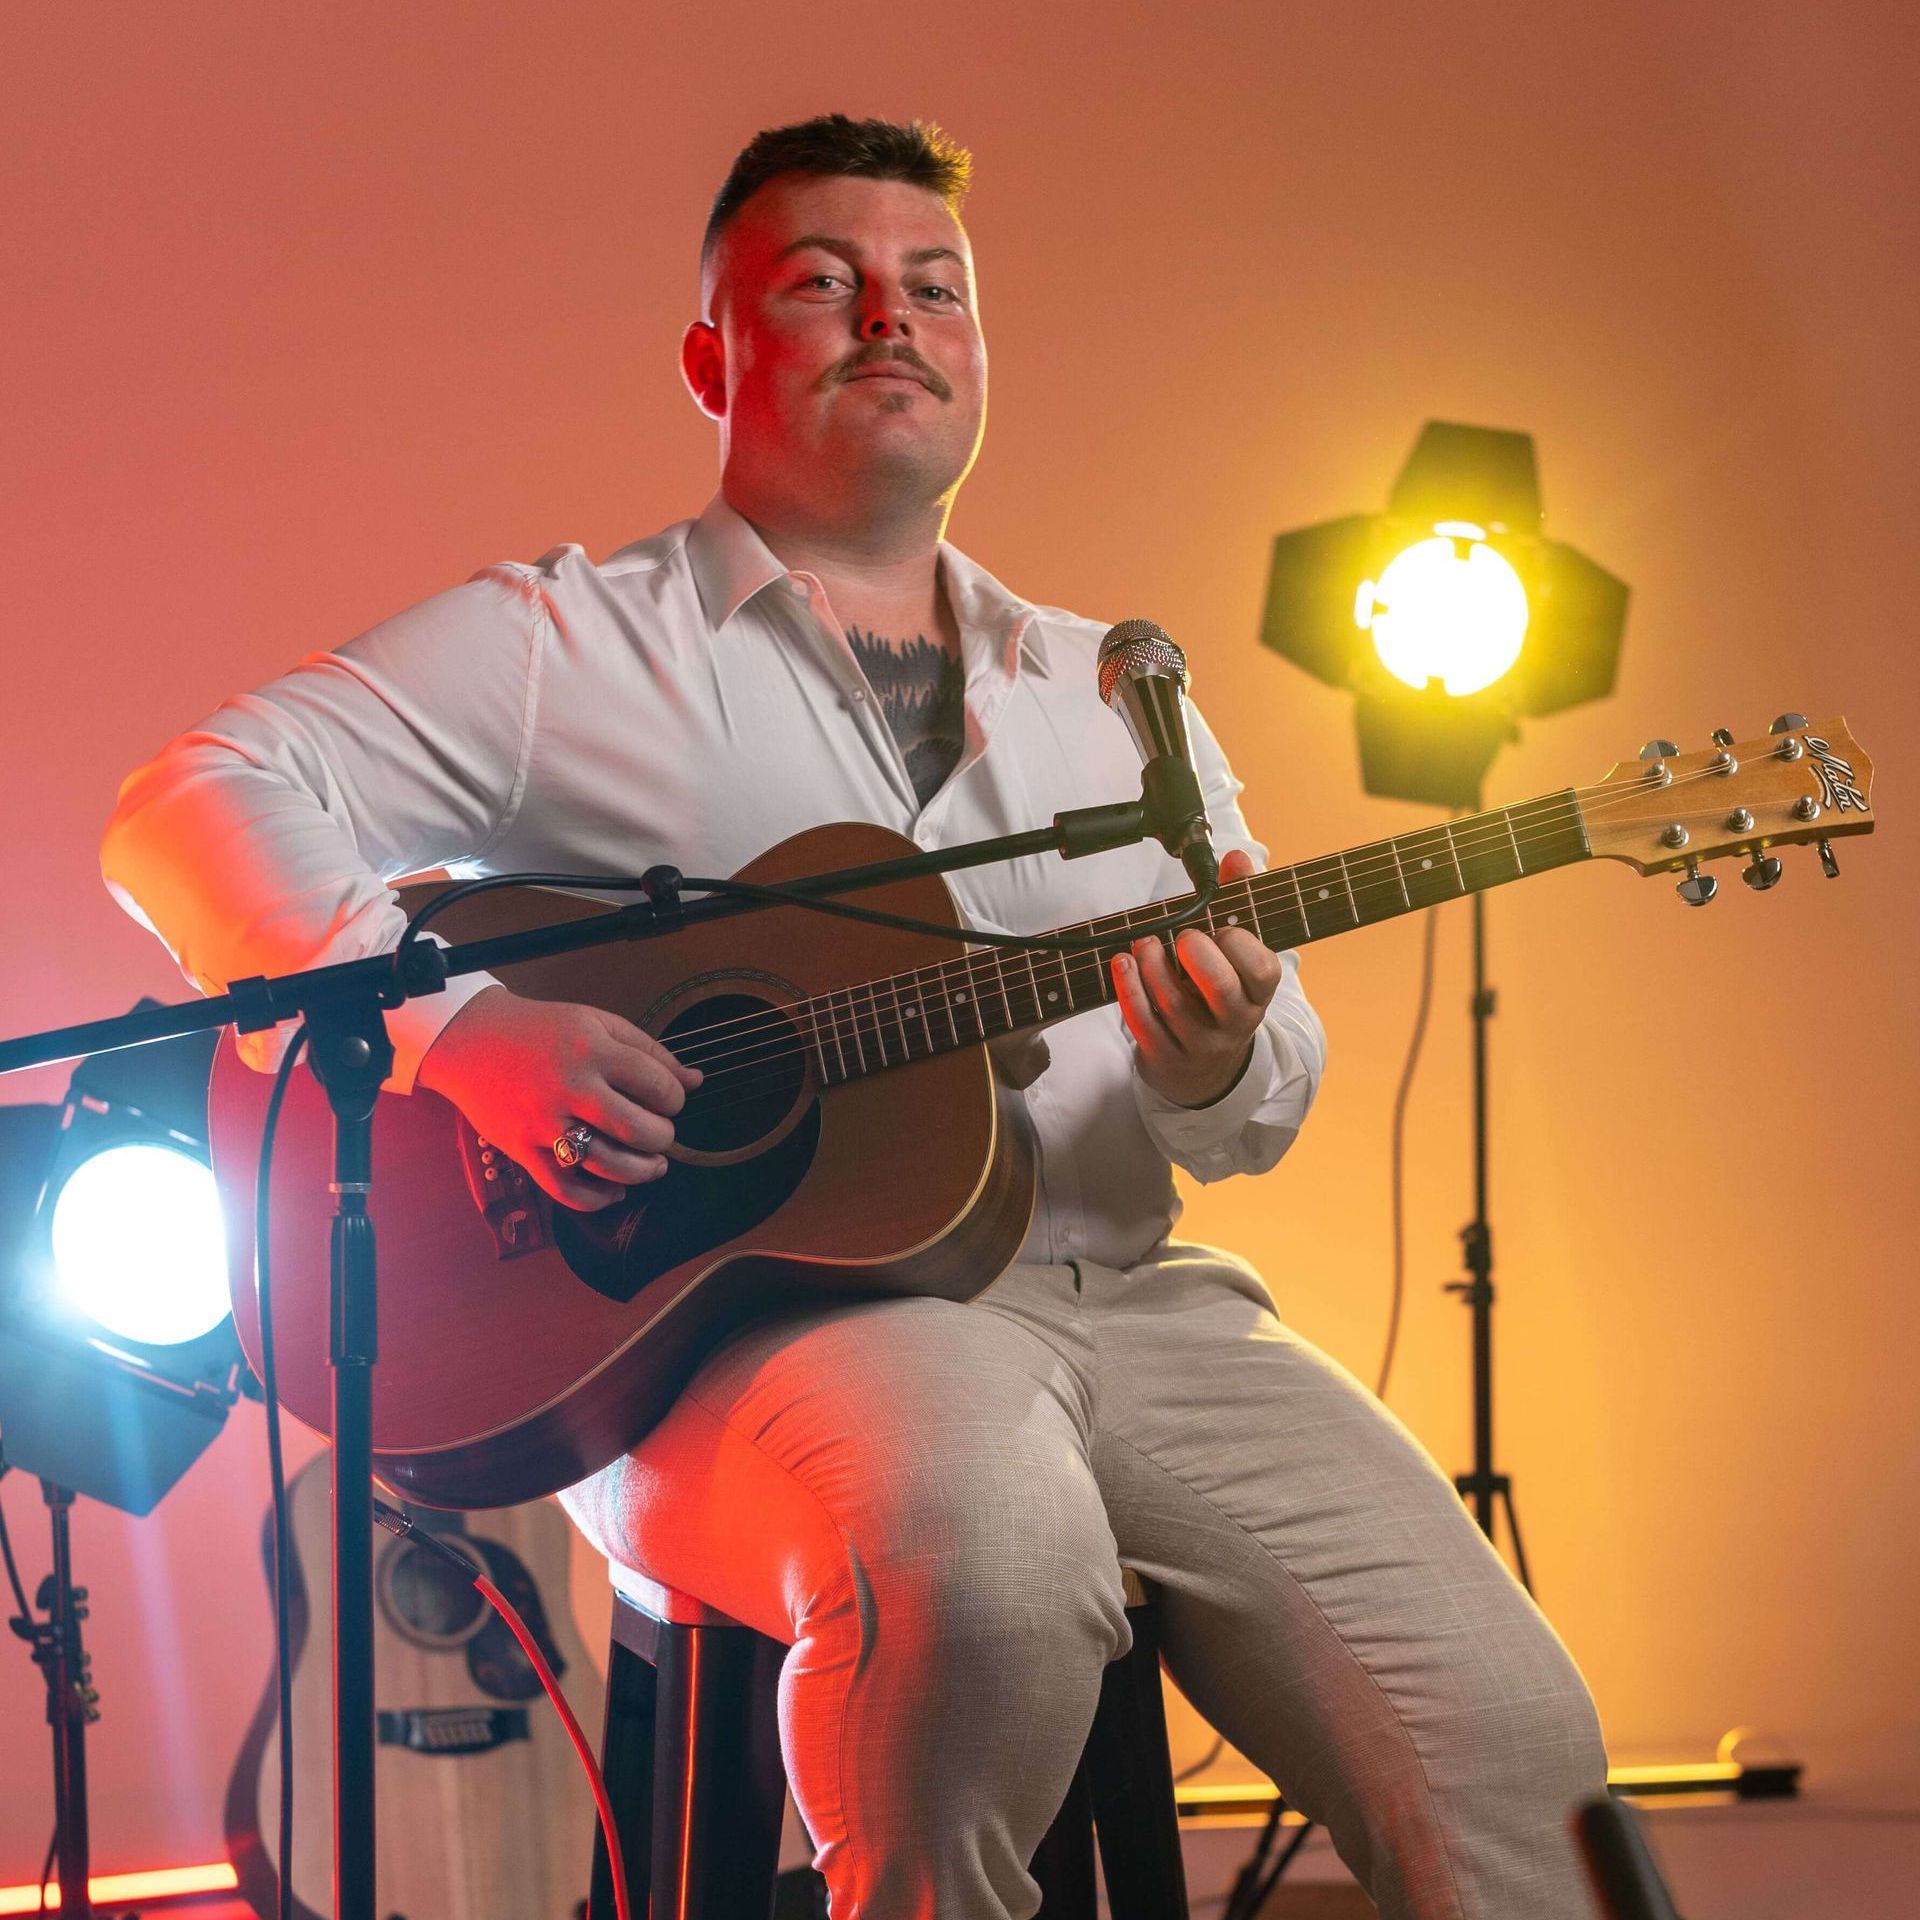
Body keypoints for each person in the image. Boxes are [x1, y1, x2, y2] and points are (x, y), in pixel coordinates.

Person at [102, 115, 1606, 1920]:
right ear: (712, 356)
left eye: (934, 288)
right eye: (821, 284)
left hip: (1135, 1305)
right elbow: (187, 799)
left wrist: (1219, 1053)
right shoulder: (566, 646)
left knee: (1518, 1741)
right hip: (768, 1340)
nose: (888, 319)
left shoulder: (1117, 688)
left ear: (977, 352)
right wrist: (474, 1035)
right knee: (979, 1565)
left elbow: (1257, 1097)